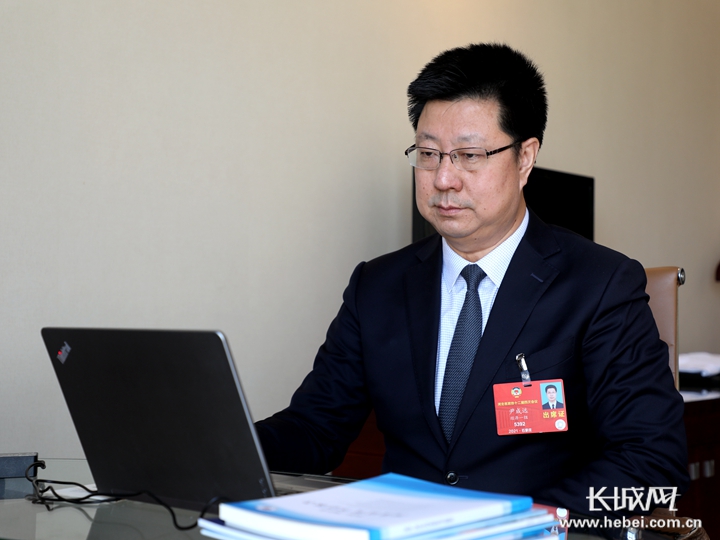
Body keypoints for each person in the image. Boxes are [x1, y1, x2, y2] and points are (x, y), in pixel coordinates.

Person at [255, 43, 688, 516]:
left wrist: (520, 522)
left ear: (525, 158)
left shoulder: (600, 285)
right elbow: (315, 428)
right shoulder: (376, 286)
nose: (443, 178)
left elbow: (654, 467)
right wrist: (222, 443)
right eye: (428, 153)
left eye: (469, 155)